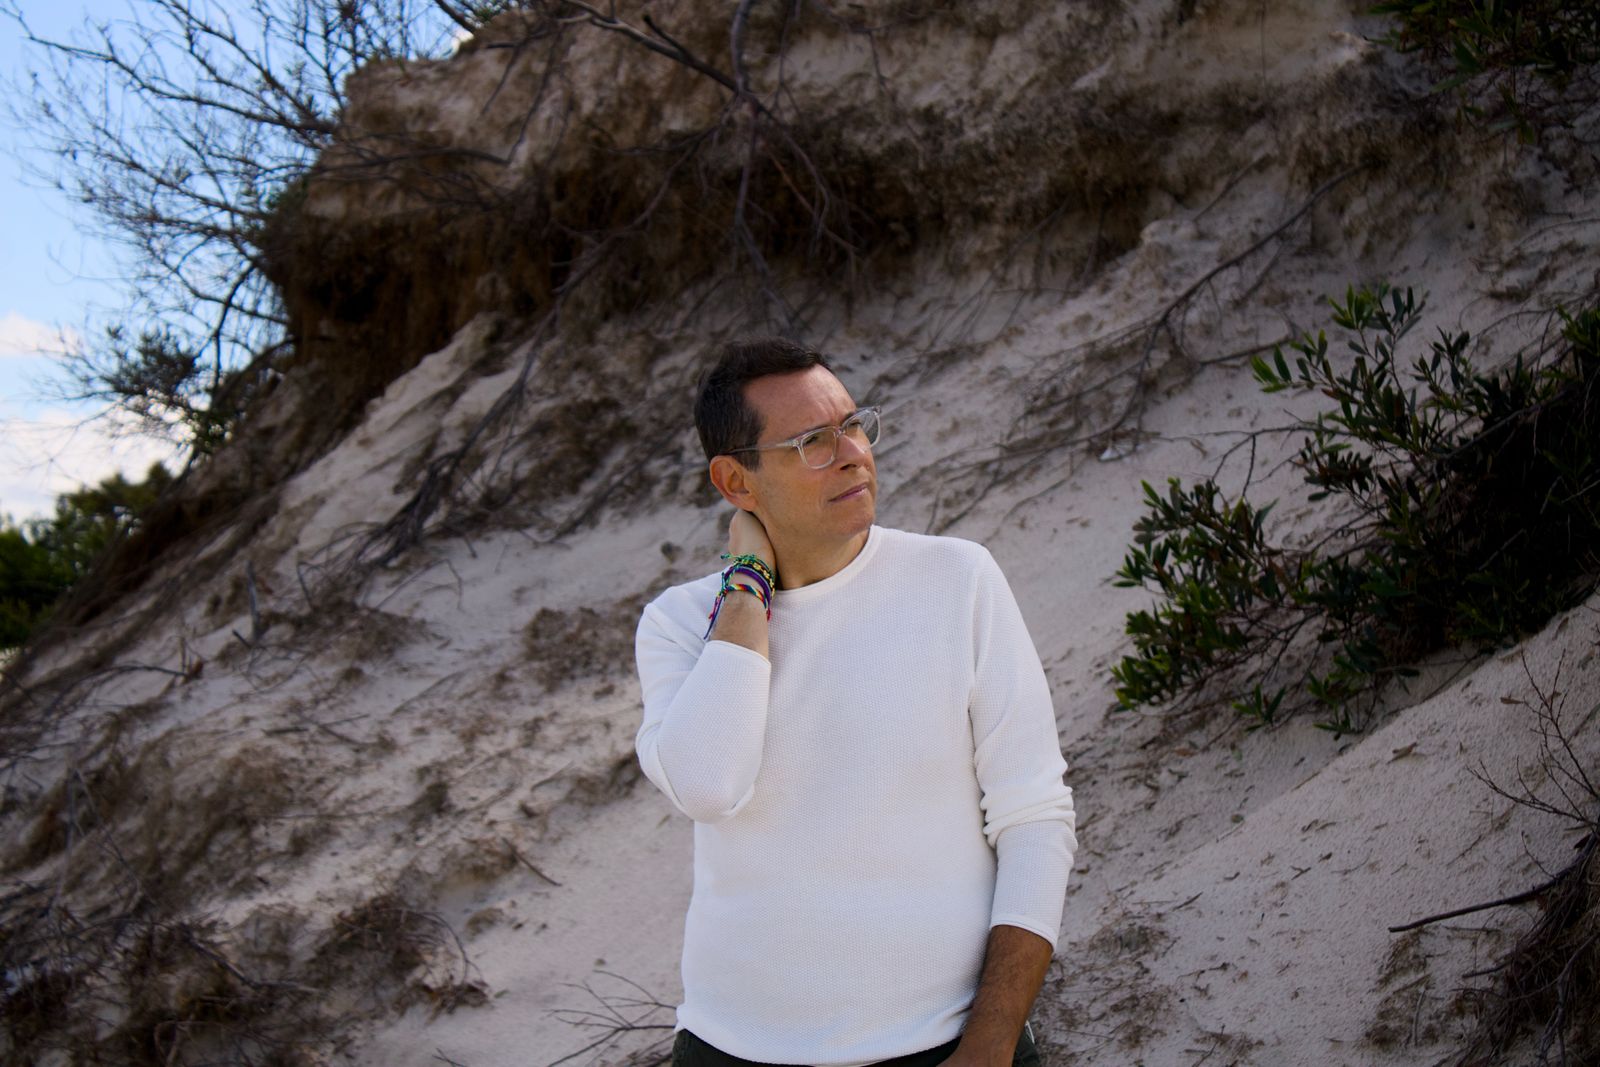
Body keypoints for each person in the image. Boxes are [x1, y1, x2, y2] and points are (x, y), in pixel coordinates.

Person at [634, 338, 1077, 1067]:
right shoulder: (680, 624)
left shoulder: (957, 580)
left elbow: (1034, 816)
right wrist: (747, 585)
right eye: (810, 441)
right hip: (737, 1049)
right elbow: (710, 784)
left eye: (853, 425)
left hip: (946, 1042)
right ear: (736, 481)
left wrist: (992, 1040)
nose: (851, 455)